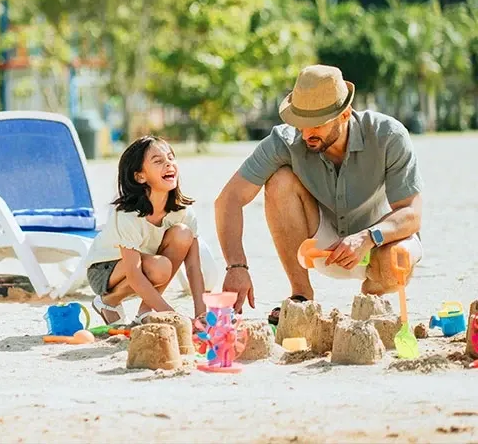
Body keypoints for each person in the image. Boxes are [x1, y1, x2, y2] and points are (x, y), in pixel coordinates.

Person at [215, 64, 424, 324]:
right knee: (279, 180)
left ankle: (372, 299)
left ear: (345, 115)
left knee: (397, 258)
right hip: (321, 248)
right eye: (300, 122)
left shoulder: (388, 136)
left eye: (316, 124)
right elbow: (228, 200)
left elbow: (411, 214)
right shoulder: (286, 141)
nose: (306, 133)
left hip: (379, 243)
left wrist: (368, 237)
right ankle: (301, 296)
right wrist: (236, 266)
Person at [86, 136, 208, 326]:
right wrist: (175, 317)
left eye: (170, 158)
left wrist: (202, 315)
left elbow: (193, 267)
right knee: (159, 268)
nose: (168, 164)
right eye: (158, 161)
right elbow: (134, 275)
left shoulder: (183, 212)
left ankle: (145, 312)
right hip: (104, 270)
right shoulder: (129, 215)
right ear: (140, 176)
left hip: (148, 263)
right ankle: (107, 302)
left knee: (182, 234)